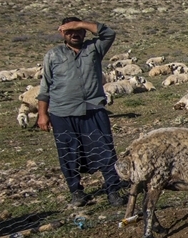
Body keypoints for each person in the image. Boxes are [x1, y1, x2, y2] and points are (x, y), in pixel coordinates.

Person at [36, 18, 125, 208]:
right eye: (69, 31)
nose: (74, 34)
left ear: (84, 32)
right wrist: (42, 114)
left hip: (93, 109)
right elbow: (45, 87)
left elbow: (109, 33)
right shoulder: (53, 55)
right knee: (68, 153)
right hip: (63, 113)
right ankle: (76, 192)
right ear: (62, 33)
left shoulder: (94, 49)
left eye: (77, 30)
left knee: (105, 151)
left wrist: (80, 24)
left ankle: (113, 191)